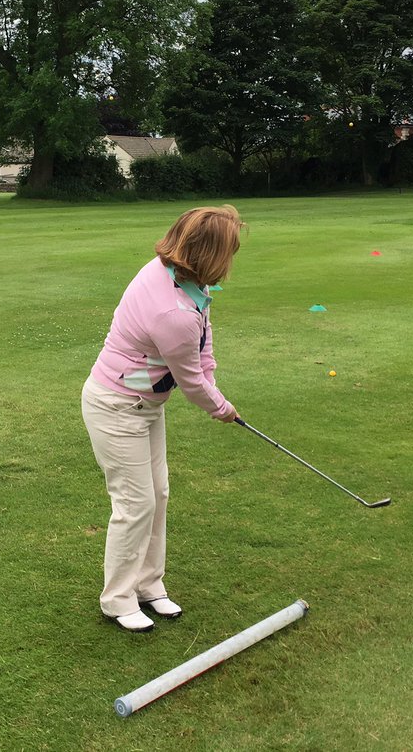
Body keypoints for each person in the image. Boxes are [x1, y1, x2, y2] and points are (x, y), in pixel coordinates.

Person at [82, 206, 244, 632]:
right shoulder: (173, 312)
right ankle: (118, 599)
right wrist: (222, 408)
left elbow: (203, 345)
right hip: (116, 407)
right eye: (229, 251)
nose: (231, 260)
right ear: (209, 254)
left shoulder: (184, 281)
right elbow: (191, 381)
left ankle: (148, 583)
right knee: (135, 504)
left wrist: (214, 383)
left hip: (145, 405)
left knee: (158, 494)